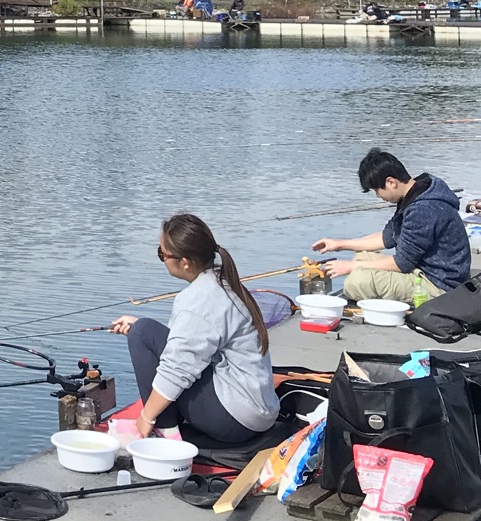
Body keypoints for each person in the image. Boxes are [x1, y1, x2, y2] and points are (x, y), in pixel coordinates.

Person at [109, 214, 279, 447]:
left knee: (142, 332)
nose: (161, 259)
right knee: (143, 330)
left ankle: (165, 433)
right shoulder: (222, 280)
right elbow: (195, 339)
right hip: (258, 410)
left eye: (162, 254)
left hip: (235, 420)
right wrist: (141, 328)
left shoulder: (199, 299)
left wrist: (146, 417)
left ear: (185, 261)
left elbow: (177, 368)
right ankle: (166, 423)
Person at [313, 152, 473, 304]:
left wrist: (350, 267)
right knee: (362, 256)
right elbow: (388, 236)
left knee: (355, 282)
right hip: (422, 269)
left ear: (391, 182)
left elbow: (402, 263)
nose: (378, 196)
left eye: (377, 190)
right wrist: (339, 244)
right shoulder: (417, 192)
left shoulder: (423, 208)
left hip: (439, 283)